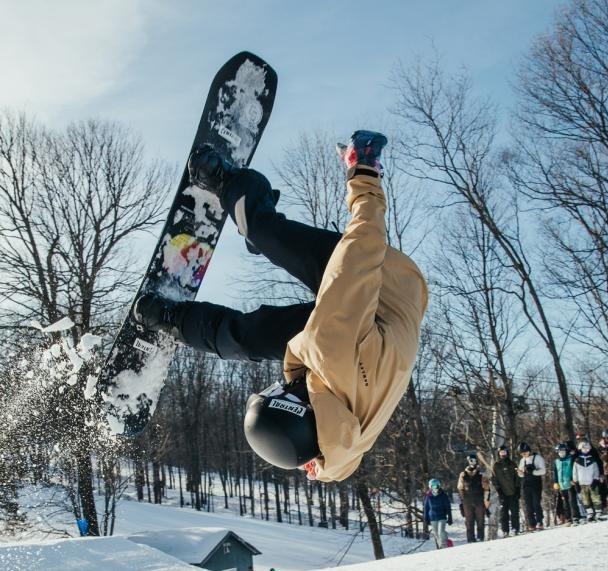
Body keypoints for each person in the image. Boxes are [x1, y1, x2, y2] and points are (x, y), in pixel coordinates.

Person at [135, 131, 427, 483]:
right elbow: (364, 241)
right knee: (267, 233)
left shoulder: (336, 444)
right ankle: (230, 183)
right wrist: (363, 171)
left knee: (246, 340)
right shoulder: (332, 344)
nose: (279, 383)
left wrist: (312, 460)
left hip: (360, 343)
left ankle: (176, 320)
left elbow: (338, 462)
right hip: (384, 284)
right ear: (299, 404)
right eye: (280, 391)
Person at [456, 455, 490, 543]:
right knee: (469, 522)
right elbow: (460, 488)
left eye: (474, 460)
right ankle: (470, 539)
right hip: (467, 501)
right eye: (471, 460)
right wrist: (462, 501)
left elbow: (486, 489)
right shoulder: (463, 474)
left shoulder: (481, 474)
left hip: (479, 500)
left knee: (480, 521)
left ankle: (480, 538)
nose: (473, 462)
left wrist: (486, 500)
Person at [492, 445, 522, 536]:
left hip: (513, 492)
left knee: (514, 512)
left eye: (504, 452)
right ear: (499, 454)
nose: (503, 454)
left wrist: (518, 489)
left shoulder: (513, 464)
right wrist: (499, 490)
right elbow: (494, 479)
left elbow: (517, 478)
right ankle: (505, 531)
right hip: (503, 493)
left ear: (507, 453)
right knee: (503, 513)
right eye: (501, 453)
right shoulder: (496, 466)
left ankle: (515, 528)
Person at [572, 439, 604, 522]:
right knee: (585, 499)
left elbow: (596, 470)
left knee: (596, 497)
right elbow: (574, 473)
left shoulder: (593, 460)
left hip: (592, 482)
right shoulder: (577, 460)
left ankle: (598, 513)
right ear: (580, 449)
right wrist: (576, 482)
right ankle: (589, 513)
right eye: (584, 449)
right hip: (582, 484)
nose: (586, 450)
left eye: (587, 449)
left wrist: (595, 480)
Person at [517, 442, 546, 531]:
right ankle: (531, 524)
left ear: (529, 451)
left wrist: (533, 472)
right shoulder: (522, 460)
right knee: (528, 505)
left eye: (525, 452)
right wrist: (520, 473)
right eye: (522, 453)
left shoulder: (537, 458)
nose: (524, 454)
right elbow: (520, 474)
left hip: (536, 483)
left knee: (536, 503)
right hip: (526, 484)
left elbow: (543, 471)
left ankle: (539, 522)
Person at [552, 442, 579, 524]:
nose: (562, 453)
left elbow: (576, 459)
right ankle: (568, 518)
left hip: (570, 483)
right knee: (565, 502)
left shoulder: (570, 458)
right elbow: (555, 473)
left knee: (572, 501)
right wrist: (556, 482)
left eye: (563, 452)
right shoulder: (556, 462)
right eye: (560, 452)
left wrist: (573, 479)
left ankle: (575, 516)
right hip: (562, 485)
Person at [424, 478, 452, 548]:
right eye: (433, 486)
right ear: (430, 487)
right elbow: (426, 508)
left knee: (440, 532)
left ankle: (443, 547)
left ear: (439, 486)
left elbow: (448, 507)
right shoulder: (428, 496)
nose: (435, 487)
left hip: (442, 517)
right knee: (436, 535)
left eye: (436, 486)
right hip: (433, 518)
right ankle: (440, 548)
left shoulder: (443, 495)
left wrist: (450, 517)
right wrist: (426, 518)